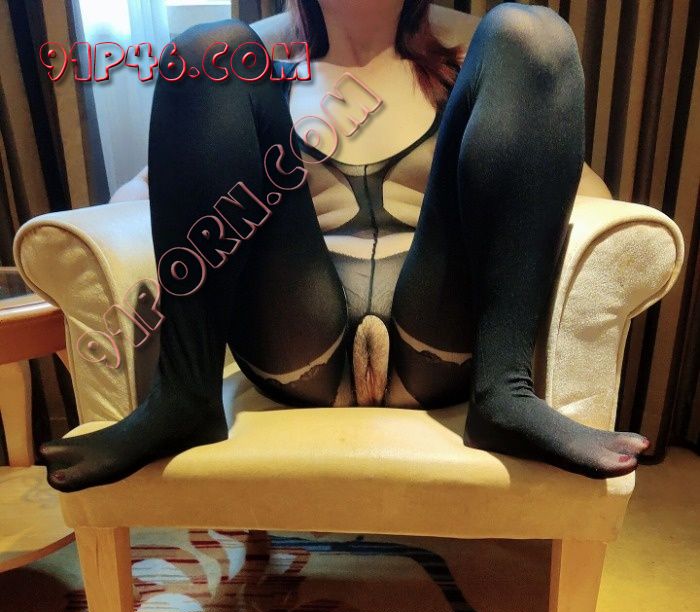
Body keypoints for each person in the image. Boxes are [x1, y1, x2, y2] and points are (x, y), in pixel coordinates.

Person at [41, 0, 649, 492]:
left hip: (441, 328)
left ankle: (505, 392)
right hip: (295, 332)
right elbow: (160, 189)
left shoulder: (472, 60)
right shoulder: (261, 65)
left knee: (532, 30)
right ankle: (182, 396)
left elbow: (567, 187)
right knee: (208, 48)